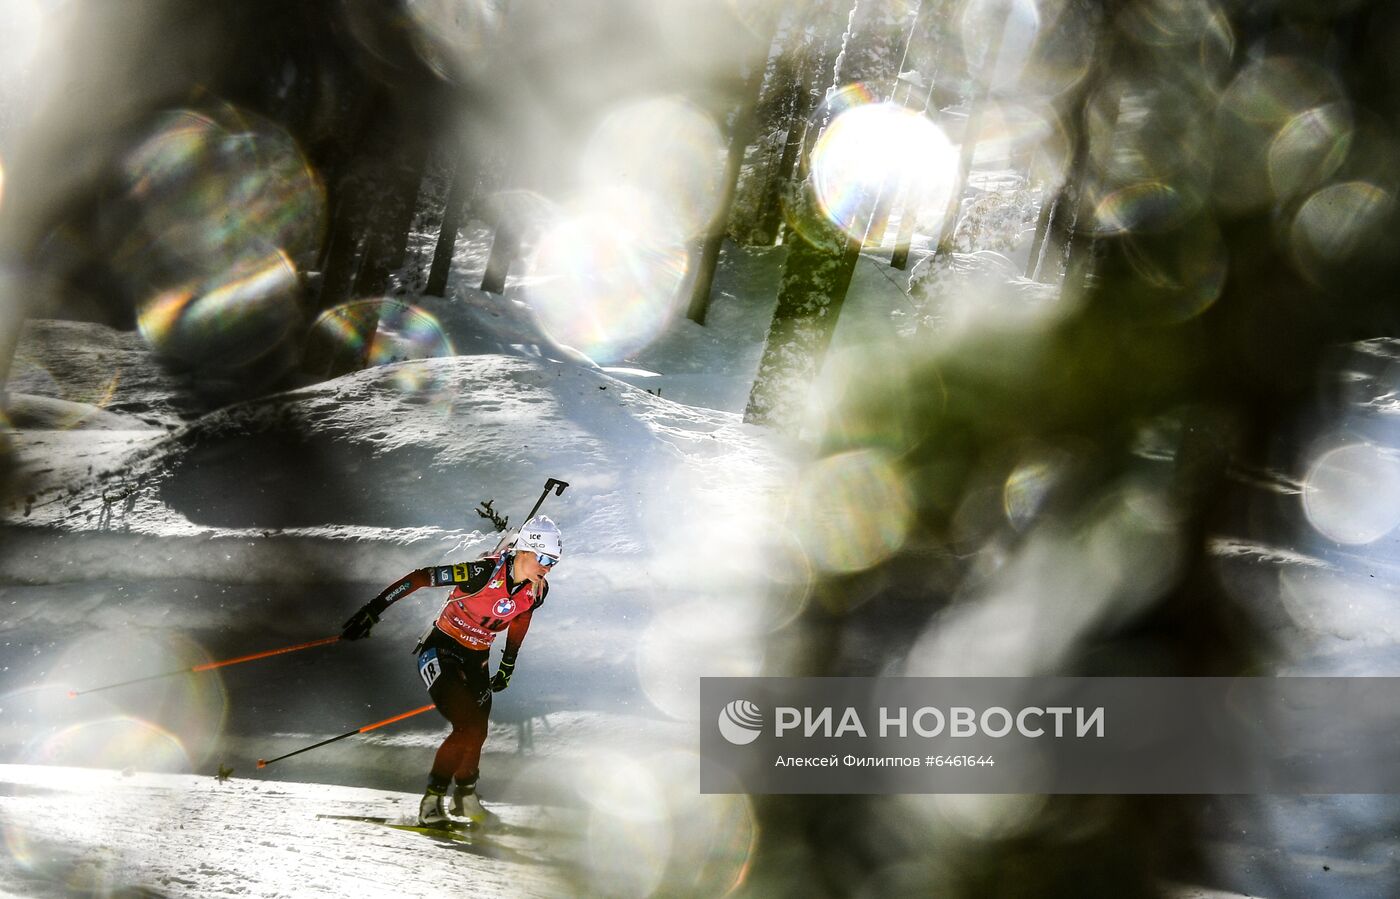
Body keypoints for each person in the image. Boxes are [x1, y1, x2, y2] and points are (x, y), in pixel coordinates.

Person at [339, 515, 562, 827]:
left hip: (477, 659)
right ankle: (432, 801)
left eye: (554, 561)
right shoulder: (482, 572)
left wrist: (508, 663)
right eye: (544, 558)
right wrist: (373, 610)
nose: (548, 566)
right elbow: (421, 577)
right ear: (525, 550)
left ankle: (465, 798)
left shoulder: (537, 590)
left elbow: (521, 618)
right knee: (466, 727)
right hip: (441, 650)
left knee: (479, 732)